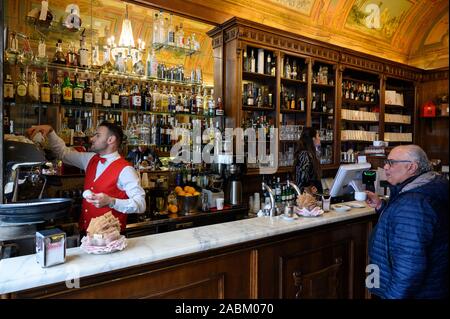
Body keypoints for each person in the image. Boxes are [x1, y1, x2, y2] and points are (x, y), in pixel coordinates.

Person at [27, 122, 146, 233]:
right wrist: (51, 132)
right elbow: (63, 153)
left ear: (111, 140)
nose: (92, 138)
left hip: (111, 239)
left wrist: (111, 201)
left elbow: (140, 205)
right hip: (86, 233)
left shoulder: (126, 170)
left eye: (97, 135)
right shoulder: (90, 159)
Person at [365, 145, 448, 299]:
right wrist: (381, 206)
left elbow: (408, 267)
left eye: (391, 162)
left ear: (411, 167)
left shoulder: (413, 202)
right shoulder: (426, 187)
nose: (385, 167)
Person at [293, 127, 323, 194]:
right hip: (307, 199)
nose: (319, 139)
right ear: (313, 139)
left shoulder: (310, 154)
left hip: (313, 198)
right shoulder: (304, 154)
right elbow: (302, 179)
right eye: (318, 136)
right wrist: (309, 189)